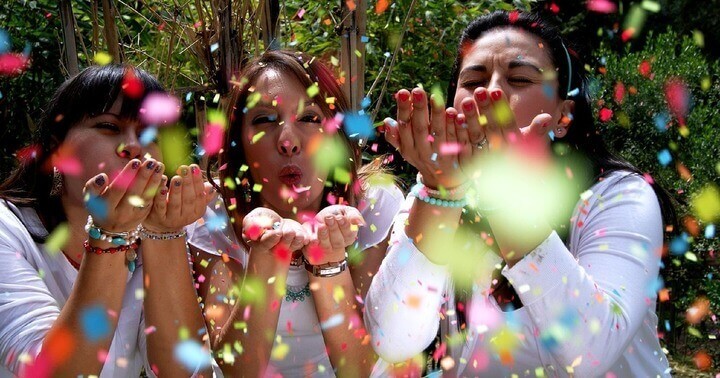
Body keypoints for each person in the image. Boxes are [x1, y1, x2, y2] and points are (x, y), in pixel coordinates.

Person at [365, 10, 676, 377]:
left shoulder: (620, 197)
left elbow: (592, 353)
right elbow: (394, 340)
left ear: (564, 116)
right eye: (473, 80)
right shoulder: (433, 194)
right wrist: (441, 193)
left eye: (519, 78)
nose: (488, 92)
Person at [187, 50, 404, 377]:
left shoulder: (373, 207)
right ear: (239, 143)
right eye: (264, 120)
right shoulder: (213, 214)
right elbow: (238, 368)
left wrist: (328, 261)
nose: (288, 141)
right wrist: (266, 255)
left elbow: (358, 368)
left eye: (309, 118)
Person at [0, 65, 214, 377]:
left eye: (147, 134)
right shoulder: (9, 230)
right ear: (57, 147)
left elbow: (185, 372)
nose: (134, 147)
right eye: (109, 127)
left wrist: (164, 233)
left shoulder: (153, 232)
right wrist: (111, 234)